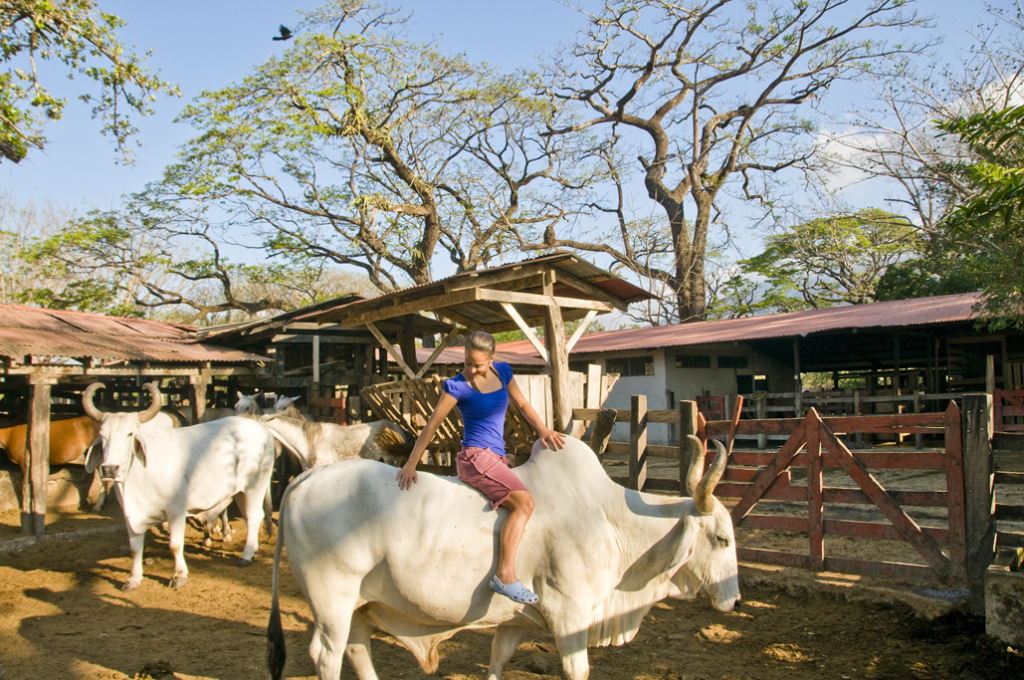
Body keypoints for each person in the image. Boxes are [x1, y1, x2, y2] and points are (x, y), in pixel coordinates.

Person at [397, 330, 565, 605]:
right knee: (525, 503)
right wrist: (411, 463)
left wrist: (543, 429)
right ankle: (505, 576)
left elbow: (522, 404)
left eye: (477, 364)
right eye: (466, 363)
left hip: (497, 458)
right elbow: (432, 425)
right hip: (475, 458)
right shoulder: (457, 386)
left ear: (492, 359)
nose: (471, 370)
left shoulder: (503, 372)